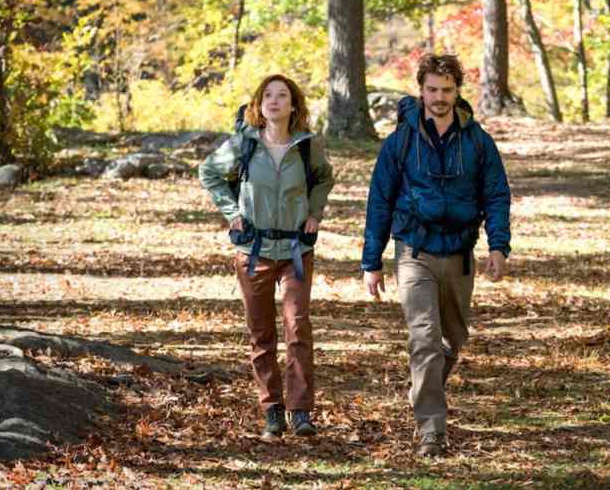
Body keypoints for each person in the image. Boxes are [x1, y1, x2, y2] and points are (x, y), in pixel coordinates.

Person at [361, 53, 511, 458]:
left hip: (460, 254)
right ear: (421, 90)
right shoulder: (401, 141)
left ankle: (421, 386)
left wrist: (498, 245)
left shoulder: (477, 140)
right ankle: (432, 430)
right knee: (424, 339)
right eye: (432, 89)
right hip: (414, 251)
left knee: (453, 339)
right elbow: (380, 201)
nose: (439, 97)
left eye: (447, 90)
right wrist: (371, 261)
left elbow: (496, 194)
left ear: (457, 91)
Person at [199, 74, 334, 440]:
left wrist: (315, 213)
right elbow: (209, 172)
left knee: (297, 327)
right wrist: (232, 212)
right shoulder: (244, 144)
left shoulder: (307, 146)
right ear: (259, 105)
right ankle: (272, 408)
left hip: (296, 250)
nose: (274, 101)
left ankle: (300, 411)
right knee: (261, 334)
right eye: (268, 96)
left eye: (282, 95)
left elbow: (324, 178)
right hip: (253, 251)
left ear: (293, 105)